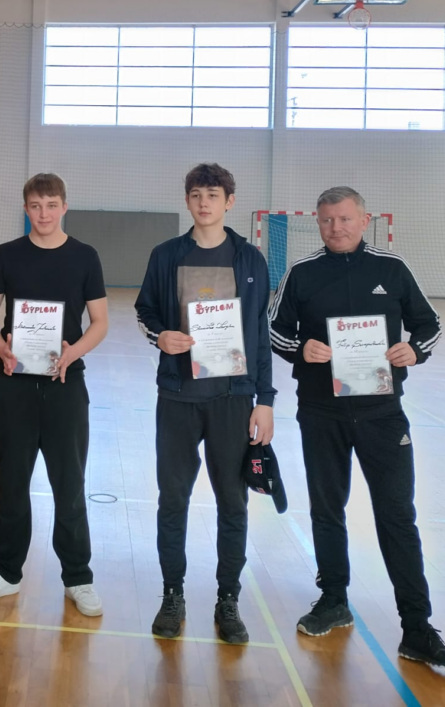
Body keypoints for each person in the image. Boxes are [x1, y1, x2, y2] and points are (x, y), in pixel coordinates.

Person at [269, 186, 445, 670]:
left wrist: (414, 350)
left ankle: (416, 628)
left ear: (363, 219)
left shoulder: (391, 269)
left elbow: (429, 324)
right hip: (321, 412)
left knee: (397, 515)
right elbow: (274, 330)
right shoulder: (302, 272)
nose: (336, 228)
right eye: (327, 220)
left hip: (382, 414)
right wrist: (301, 349)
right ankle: (333, 599)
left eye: (344, 219)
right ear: (317, 222)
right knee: (326, 509)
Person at [135, 163, 275, 644]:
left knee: (233, 502)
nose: (204, 203)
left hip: (232, 400)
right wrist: (161, 336)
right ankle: (172, 594)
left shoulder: (250, 259)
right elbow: (145, 311)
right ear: (187, 200)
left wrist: (265, 400)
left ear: (229, 201)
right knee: (172, 499)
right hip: (177, 397)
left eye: (213, 195)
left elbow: (260, 335)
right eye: (196, 194)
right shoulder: (166, 255)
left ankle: (227, 599)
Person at [0, 173, 108, 617]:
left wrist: (72, 353)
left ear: (64, 206)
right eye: (35, 206)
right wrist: (2, 349)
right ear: (25, 208)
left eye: (50, 205)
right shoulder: (7, 254)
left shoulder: (85, 256)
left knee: (70, 483)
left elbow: (100, 322)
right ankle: (6, 571)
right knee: (11, 483)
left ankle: (78, 577)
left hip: (66, 385)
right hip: (13, 385)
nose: (43, 214)